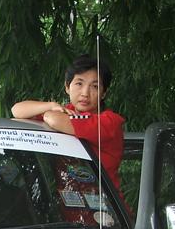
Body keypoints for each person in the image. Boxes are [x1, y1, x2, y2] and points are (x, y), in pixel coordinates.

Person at [11, 55, 125, 194]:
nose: (85, 93)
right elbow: (17, 110)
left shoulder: (109, 122)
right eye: (79, 84)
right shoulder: (64, 111)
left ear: (103, 93)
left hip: (104, 205)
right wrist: (50, 105)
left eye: (95, 86)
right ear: (67, 87)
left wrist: (49, 113)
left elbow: (55, 120)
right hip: (68, 204)